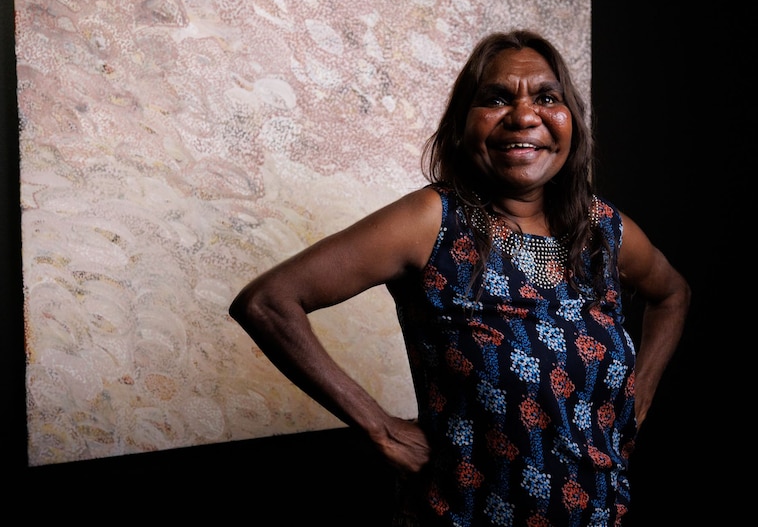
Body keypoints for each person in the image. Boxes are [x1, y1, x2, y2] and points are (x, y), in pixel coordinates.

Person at [228, 29, 690, 526]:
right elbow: (268, 301)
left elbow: (672, 294)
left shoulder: (603, 230)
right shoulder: (433, 222)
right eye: (495, 98)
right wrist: (378, 427)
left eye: (547, 97)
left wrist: (639, 391)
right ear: (461, 124)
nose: (525, 116)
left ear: (570, 120)